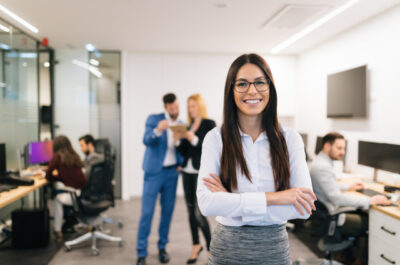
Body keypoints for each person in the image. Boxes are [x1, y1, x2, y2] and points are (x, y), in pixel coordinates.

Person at [196, 53, 316, 265]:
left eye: (260, 82)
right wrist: (276, 198)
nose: (252, 91)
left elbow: (303, 207)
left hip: (274, 252)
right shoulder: (216, 139)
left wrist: (231, 201)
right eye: (242, 83)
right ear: (231, 90)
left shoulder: (290, 139)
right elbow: (207, 204)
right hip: (227, 252)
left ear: (270, 87)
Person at [309, 132, 391, 264]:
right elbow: (337, 199)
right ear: (327, 146)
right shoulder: (322, 167)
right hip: (332, 215)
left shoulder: (320, 162)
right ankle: (360, 260)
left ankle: (345, 255)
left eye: (344, 148)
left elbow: (328, 185)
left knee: (362, 211)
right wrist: (370, 200)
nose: (343, 152)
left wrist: (348, 187)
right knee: (372, 222)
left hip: (326, 211)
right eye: (339, 148)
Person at [136, 93, 184, 265]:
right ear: (166, 107)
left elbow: (183, 151)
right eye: (172, 108)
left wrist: (180, 158)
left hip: (172, 174)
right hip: (153, 173)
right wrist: (158, 130)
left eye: (177, 107)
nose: (175, 111)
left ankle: (162, 247)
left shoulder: (180, 125)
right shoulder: (154, 119)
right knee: (147, 213)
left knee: (167, 213)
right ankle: (141, 253)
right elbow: (146, 140)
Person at [174, 94, 216, 264]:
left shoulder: (209, 124)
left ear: (200, 106)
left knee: (200, 211)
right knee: (190, 210)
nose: (191, 109)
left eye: (193, 106)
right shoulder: (188, 126)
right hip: (187, 171)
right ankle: (195, 244)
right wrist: (178, 142)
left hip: (200, 172)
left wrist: (194, 138)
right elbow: (184, 151)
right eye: (189, 106)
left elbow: (210, 147)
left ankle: (211, 248)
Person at [46, 135, 88, 243]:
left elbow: (48, 176)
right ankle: (71, 221)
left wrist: (57, 177)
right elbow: (70, 175)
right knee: (60, 193)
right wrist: (60, 177)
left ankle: (58, 230)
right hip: (83, 193)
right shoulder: (75, 156)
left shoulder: (57, 157)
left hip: (74, 196)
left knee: (57, 197)